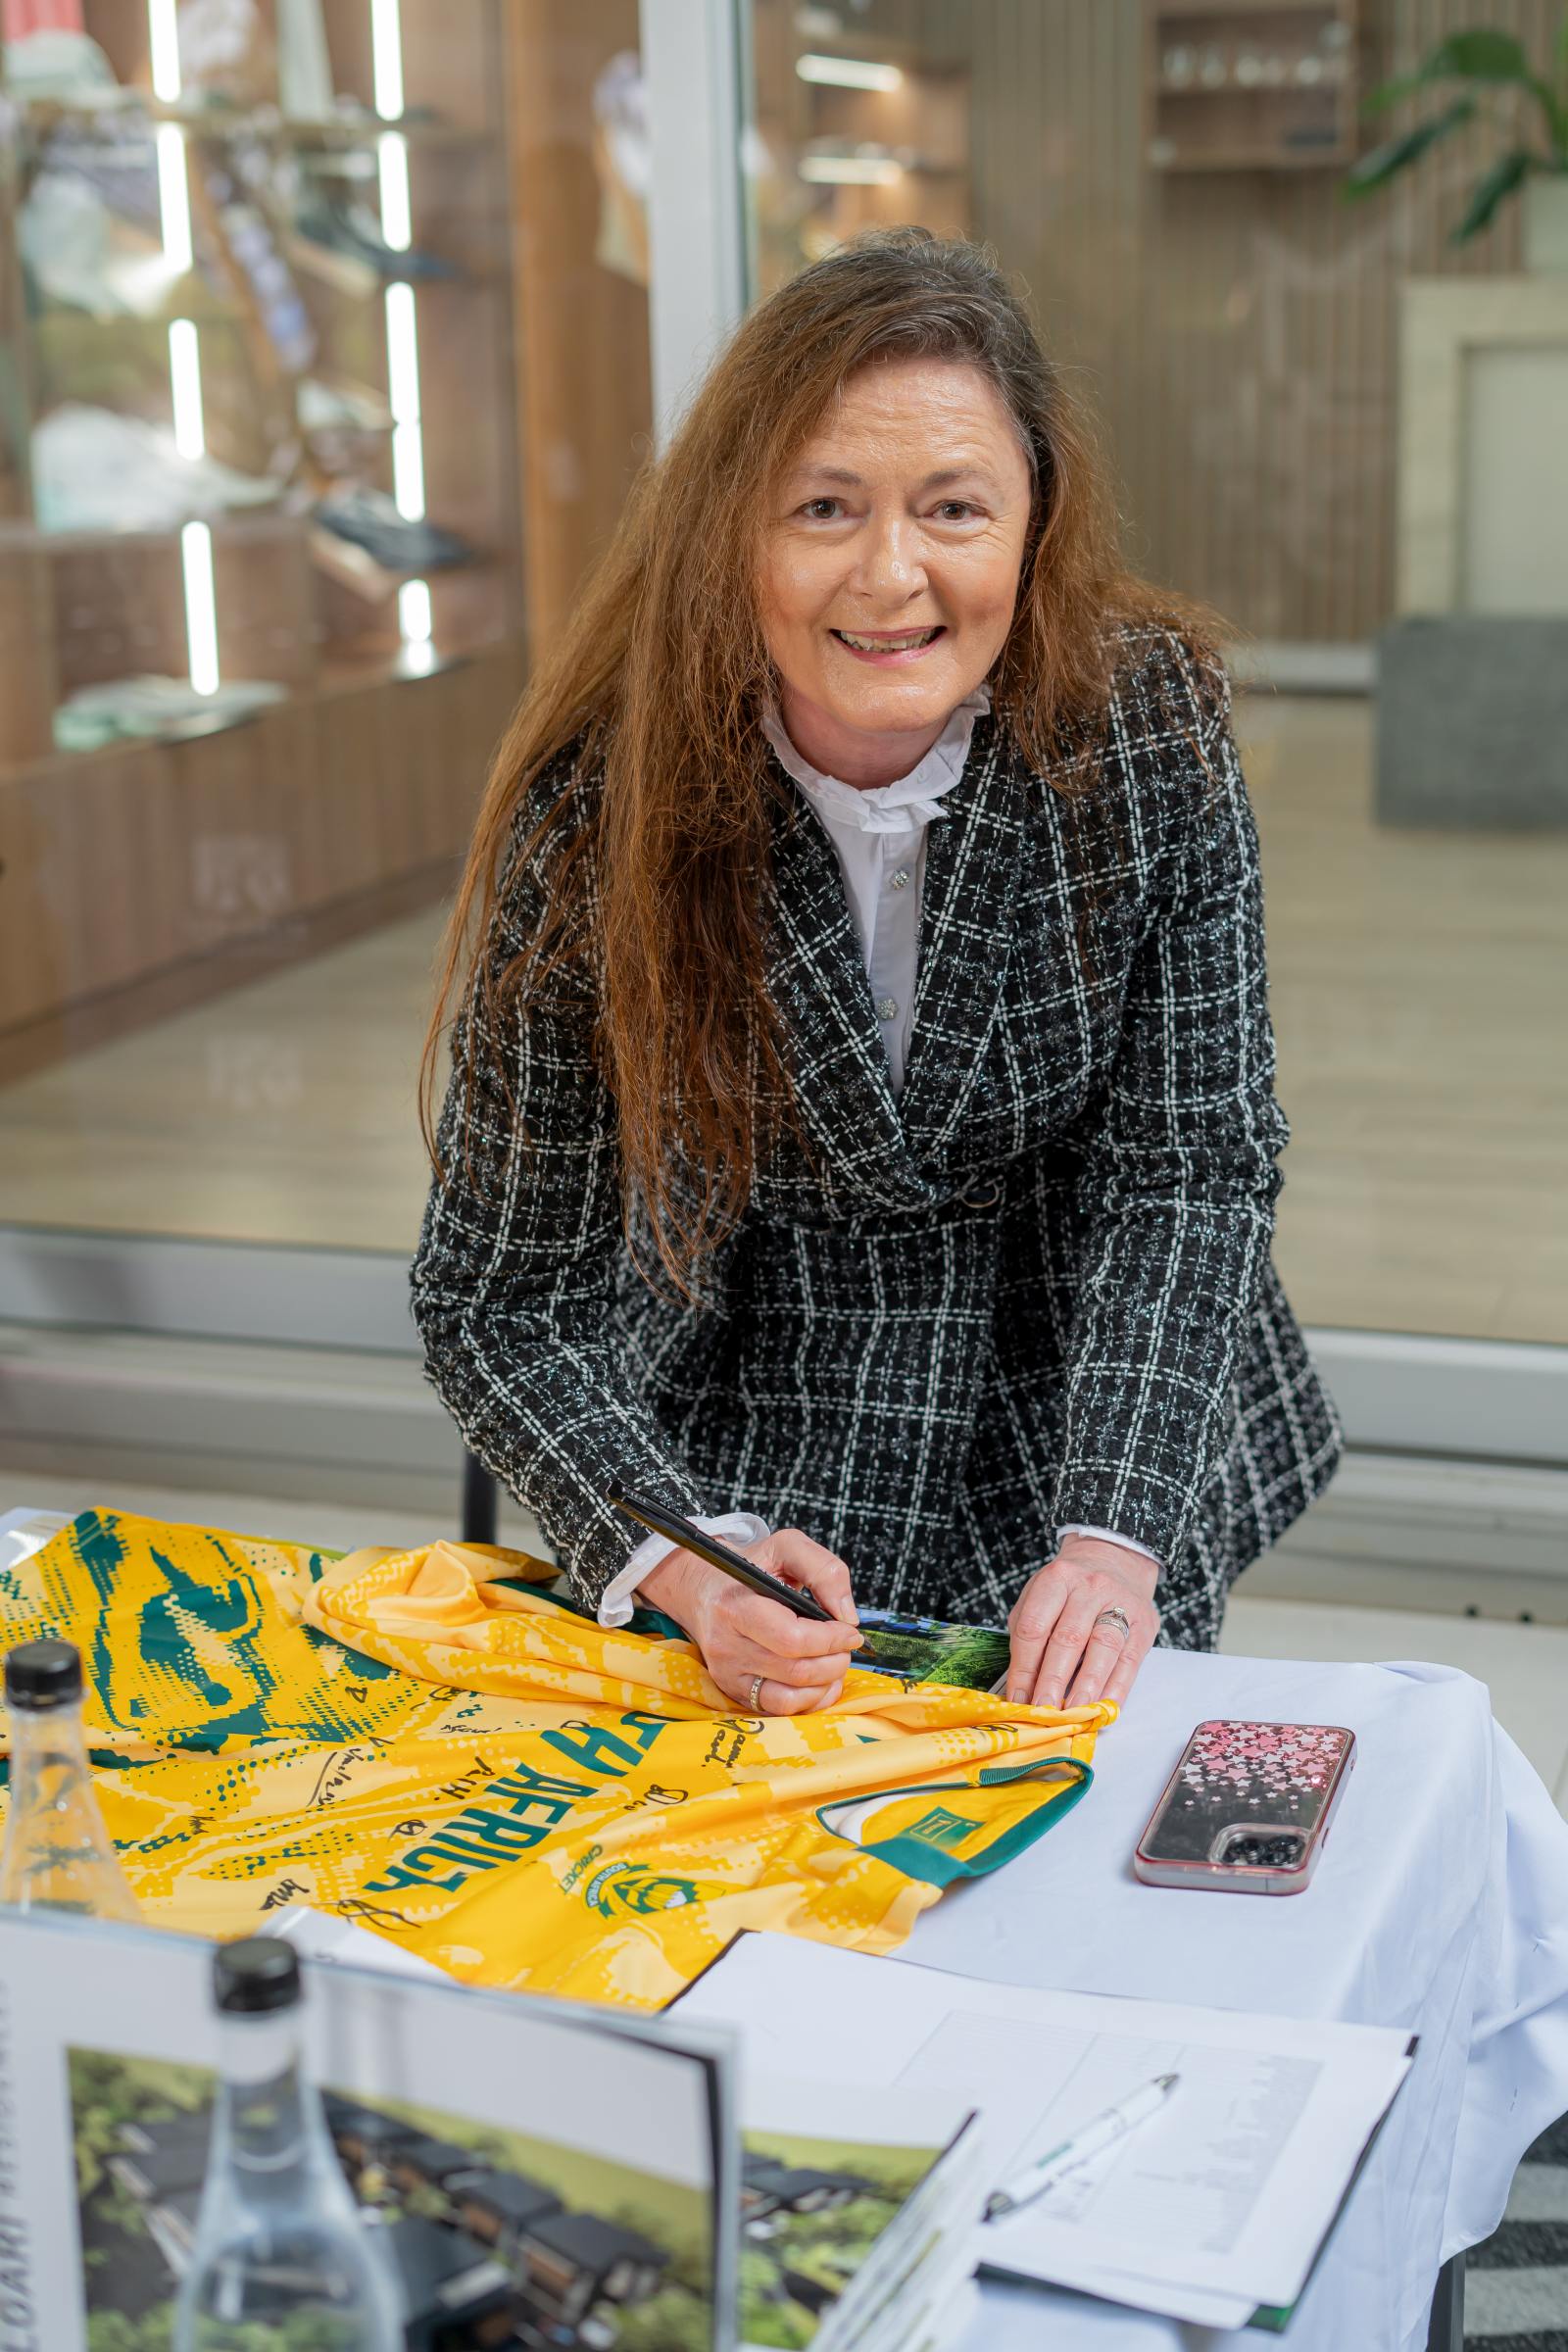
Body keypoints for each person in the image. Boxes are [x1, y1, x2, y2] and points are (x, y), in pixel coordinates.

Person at [413, 229, 1340, 1724]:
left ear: (1036, 522)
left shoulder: (1149, 720)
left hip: (1088, 1385)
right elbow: (499, 1299)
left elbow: (1189, 1163)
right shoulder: (598, 812)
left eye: (955, 507)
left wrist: (1113, 1539)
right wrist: (692, 1560)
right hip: (750, 1421)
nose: (892, 577)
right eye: (824, 507)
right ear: (731, 529)